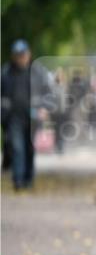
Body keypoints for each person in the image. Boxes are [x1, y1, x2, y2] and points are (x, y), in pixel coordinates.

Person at [1, 40, 54, 190]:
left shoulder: (38, 72)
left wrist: (45, 108)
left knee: (29, 148)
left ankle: (28, 179)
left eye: (23, 54)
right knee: (17, 147)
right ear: (13, 56)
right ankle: (18, 180)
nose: (20, 58)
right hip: (13, 117)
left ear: (28, 54)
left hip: (33, 117)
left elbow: (48, 93)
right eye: (17, 55)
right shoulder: (6, 73)